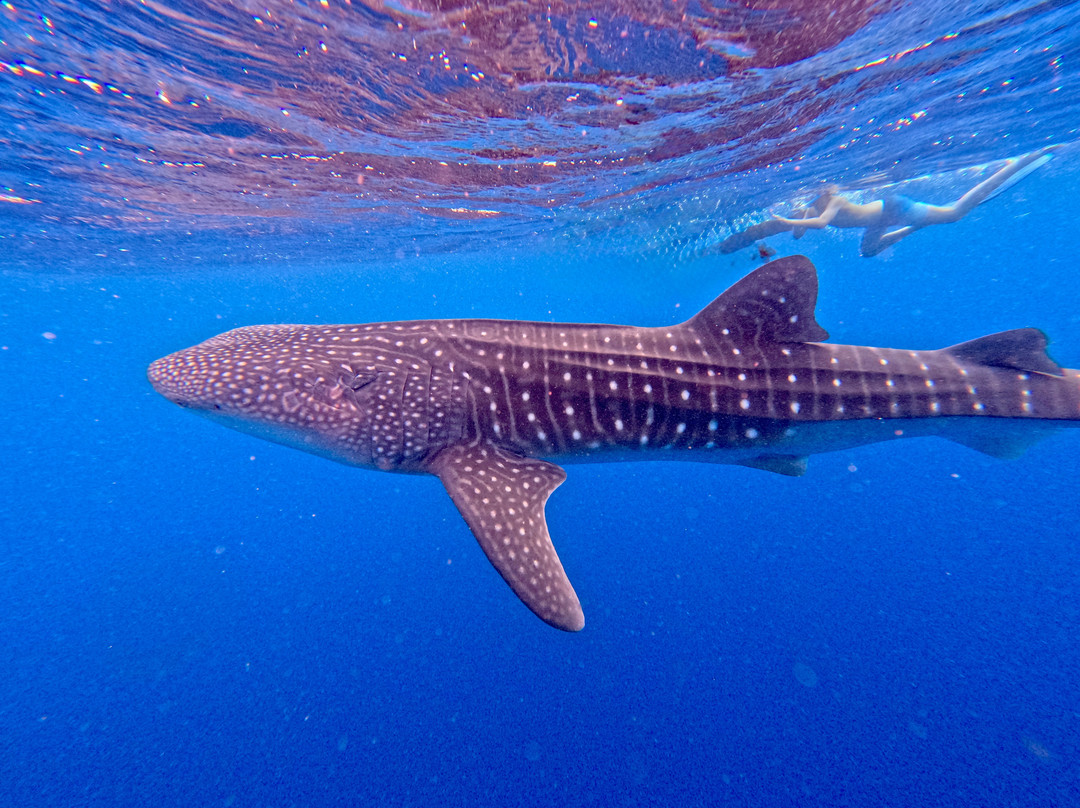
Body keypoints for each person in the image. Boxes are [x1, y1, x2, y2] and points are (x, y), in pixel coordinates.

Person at [718, 146, 1057, 257]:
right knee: (867, 253)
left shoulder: (832, 199)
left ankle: (1019, 163)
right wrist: (792, 226)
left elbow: (818, 225)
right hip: (882, 219)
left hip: (892, 209)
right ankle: (914, 228)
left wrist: (791, 222)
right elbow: (802, 232)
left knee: (955, 212)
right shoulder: (813, 203)